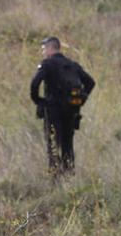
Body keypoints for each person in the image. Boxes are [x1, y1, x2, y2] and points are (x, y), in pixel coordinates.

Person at [29, 37, 95, 175]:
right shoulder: (72, 65)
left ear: (50, 48)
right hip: (71, 112)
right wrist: (82, 100)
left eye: (43, 49)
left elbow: (35, 84)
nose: (43, 52)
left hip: (52, 111)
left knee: (53, 146)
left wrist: (39, 101)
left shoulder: (47, 64)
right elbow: (90, 82)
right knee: (67, 146)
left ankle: (55, 179)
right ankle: (69, 177)